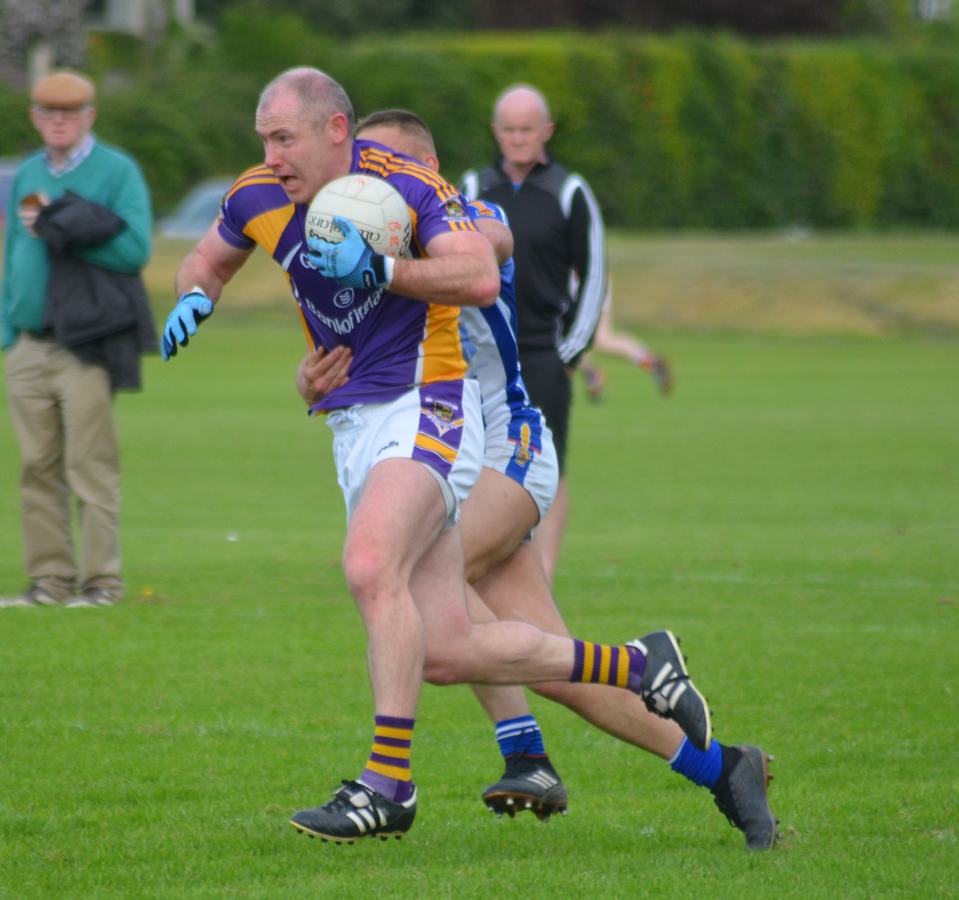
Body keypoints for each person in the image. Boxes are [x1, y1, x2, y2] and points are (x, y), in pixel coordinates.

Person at [164, 67, 713, 845]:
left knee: (368, 566)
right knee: (448, 647)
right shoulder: (260, 193)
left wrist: (385, 263)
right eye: (265, 139)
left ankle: (390, 785)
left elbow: (487, 256)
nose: (270, 153)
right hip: (358, 429)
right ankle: (637, 669)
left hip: (443, 415)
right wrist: (195, 297)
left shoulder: (426, 195)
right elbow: (210, 260)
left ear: (337, 132)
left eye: (282, 137)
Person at [299, 109, 778, 850]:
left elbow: (493, 243)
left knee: (411, 602)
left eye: (389, 167)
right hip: (446, 458)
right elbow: (364, 372)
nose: (372, 184)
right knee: (545, 661)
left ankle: (522, 753)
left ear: (427, 171)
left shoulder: (463, 219)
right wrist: (315, 381)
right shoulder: (366, 252)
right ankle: (725, 770)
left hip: (504, 453)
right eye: (364, 169)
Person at [0, 70, 157, 609]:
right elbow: (12, 254)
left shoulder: (118, 171)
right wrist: (6, 331)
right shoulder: (27, 172)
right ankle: (48, 582)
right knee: (36, 468)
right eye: (47, 112)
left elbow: (134, 251)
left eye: (69, 112)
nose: (58, 121)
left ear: (90, 115)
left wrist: (64, 229)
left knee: (89, 465)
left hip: (84, 342)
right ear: (34, 117)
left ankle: (101, 584)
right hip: (27, 344)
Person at [461, 84, 602, 583]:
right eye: (509, 129)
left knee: (549, 463)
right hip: (481, 354)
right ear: (496, 132)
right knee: (478, 454)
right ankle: (483, 559)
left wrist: (570, 350)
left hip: (543, 352)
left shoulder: (569, 191)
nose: (518, 139)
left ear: (547, 132)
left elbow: (594, 274)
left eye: (528, 129)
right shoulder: (474, 187)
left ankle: (542, 572)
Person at [578, 284, 674, 403]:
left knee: (594, 339)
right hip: (581, 281)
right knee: (601, 340)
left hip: (587, 281)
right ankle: (653, 362)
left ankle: (592, 373)